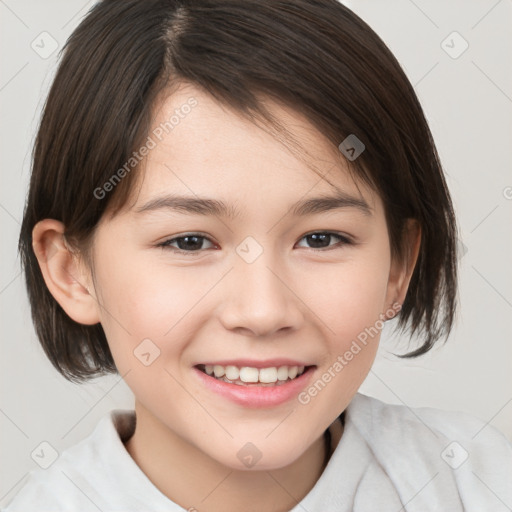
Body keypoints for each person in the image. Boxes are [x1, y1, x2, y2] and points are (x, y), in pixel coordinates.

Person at [4, 0, 511, 510]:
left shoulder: (478, 486)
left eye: (321, 239)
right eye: (189, 241)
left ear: (397, 266)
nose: (263, 311)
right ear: (73, 272)